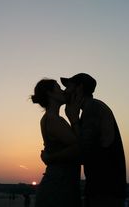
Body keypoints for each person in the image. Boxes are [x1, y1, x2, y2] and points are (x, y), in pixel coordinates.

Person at [42, 73, 127, 207]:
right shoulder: (89, 111)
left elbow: (82, 152)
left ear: (79, 88)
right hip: (101, 189)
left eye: (68, 87)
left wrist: (51, 158)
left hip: (106, 191)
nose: (65, 91)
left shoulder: (93, 110)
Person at [32, 79, 82, 207]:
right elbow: (80, 148)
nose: (63, 91)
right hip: (59, 187)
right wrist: (74, 118)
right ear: (50, 94)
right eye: (58, 88)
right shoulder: (53, 119)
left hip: (59, 184)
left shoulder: (49, 119)